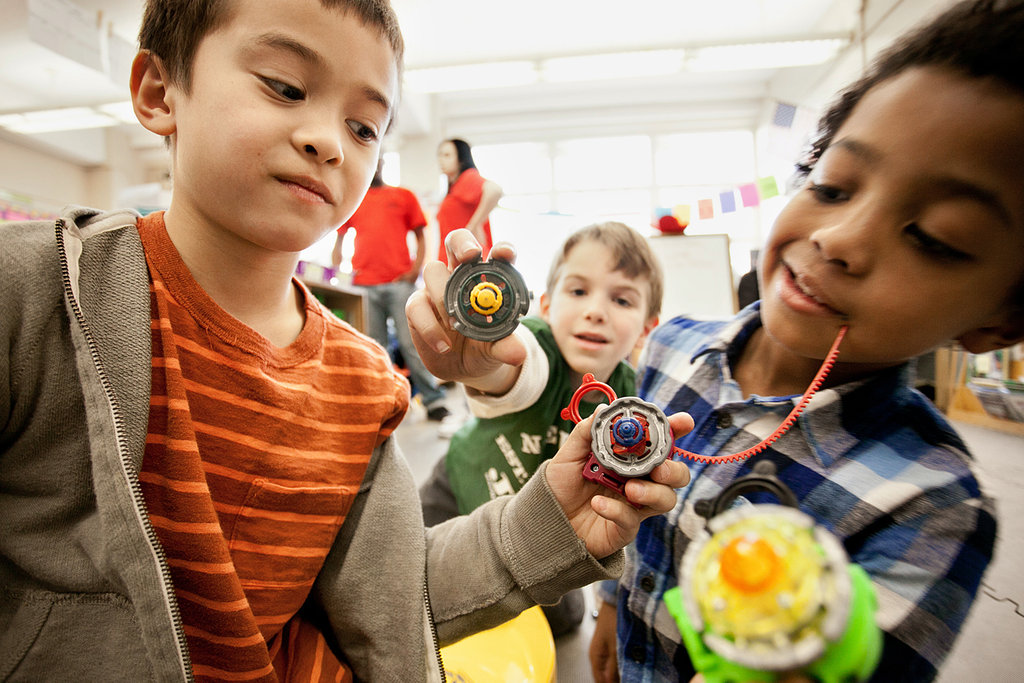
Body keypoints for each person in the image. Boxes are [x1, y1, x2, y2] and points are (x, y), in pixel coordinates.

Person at [0, 1, 693, 680]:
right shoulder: (37, 293)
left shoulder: (362, 380)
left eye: (364, 127)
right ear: (159, 91)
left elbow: (388, 598)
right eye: (285, 87)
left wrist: (554, 519)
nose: (329, 140)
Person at [588, 1, 1023, 681]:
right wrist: (612, 602)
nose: (838, 238)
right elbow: (628, 503)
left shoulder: (933, 505)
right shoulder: (668, 348)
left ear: (1000, 319)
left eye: (933, 237)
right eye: (833, 185)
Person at [417, 221, 664, 635]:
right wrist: (486, 363)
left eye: (621, 299)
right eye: (579, 291)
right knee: (412, 582)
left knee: (564, 621)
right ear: (546, 306)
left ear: (646, 327)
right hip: (462, 485)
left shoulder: (628, 400)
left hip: (535, 530)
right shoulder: (538, 347)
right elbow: (514, 369)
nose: (595, 311)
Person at [331, 158, 452, 421]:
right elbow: (339, 237)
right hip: (363, 284)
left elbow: (422, 235)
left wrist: (415, 270)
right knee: (375, 347)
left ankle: (434, 402)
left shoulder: (403, 195)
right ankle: (383, 404)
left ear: (380, 163)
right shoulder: (355, 198)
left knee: (413, 344)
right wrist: (336, 267)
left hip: (399, 284)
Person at [436, 137, 503, 265]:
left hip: (467, 259)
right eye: (440, 155)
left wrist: (474, 225)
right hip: (456, 259)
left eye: (447, 155)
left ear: (461, 159)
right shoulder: (454, 187)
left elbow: (495, 190)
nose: (441, 160)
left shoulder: (467, 178)